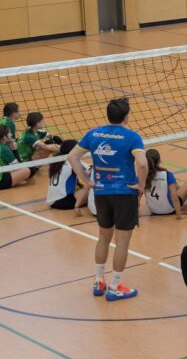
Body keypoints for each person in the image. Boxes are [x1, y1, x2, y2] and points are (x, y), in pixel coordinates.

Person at [68, 98, 147, 301]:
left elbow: (72, 157)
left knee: (103, 237)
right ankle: (114, 286)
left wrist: (86, 180)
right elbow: (143, 164)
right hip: (124, 194)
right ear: (126, 116)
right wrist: (141, 185)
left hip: (101, 193)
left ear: (108, 114)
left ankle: (98, 281)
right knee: (122, 242)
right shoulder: (132, 137)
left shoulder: (93, 133)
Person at [143, 149, 187, 219]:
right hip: (169, 210)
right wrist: (179, 216)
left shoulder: (142, 175)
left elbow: (137, 196)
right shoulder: (168, 174)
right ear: (159, 160)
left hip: (153, 210)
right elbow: (175, 198)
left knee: (174, 185)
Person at [47, 140, 92, 210]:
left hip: (52, 201)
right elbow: (90, 175)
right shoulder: (72, 162)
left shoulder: (58, 161)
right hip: (64, 201)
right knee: (92, 189)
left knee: (82, 186)